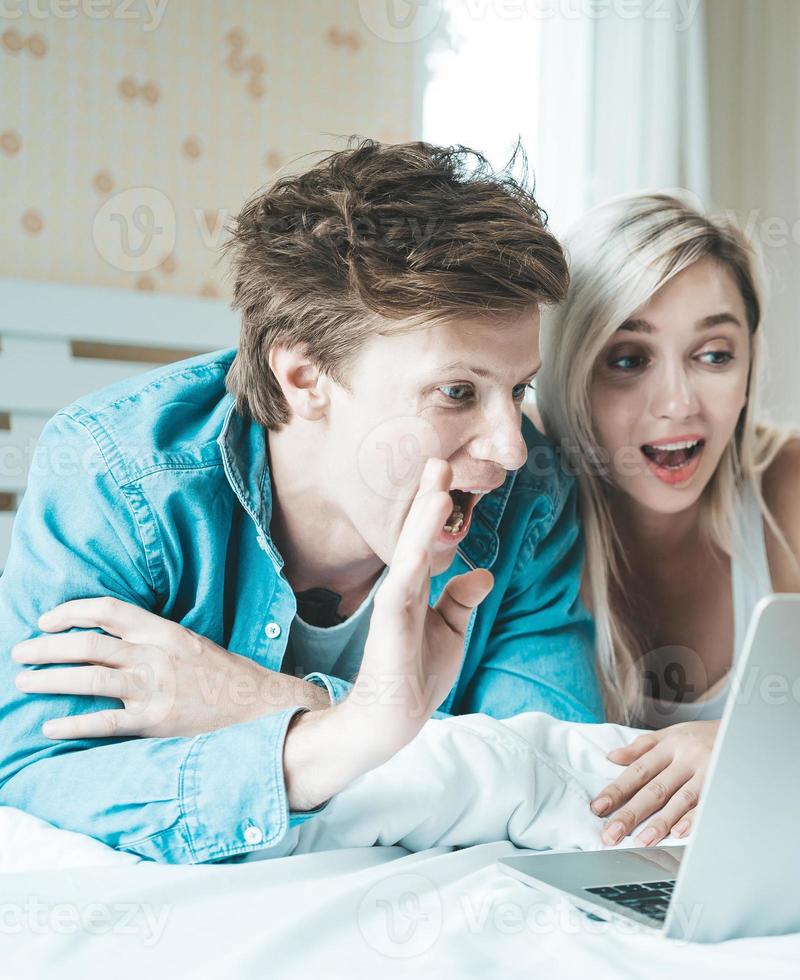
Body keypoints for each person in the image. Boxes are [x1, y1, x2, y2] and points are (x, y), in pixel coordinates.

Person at [0, 140, 602, 864]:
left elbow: (559, 780)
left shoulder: (530, 496)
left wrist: (262, 701)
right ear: (305, 375)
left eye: (519, 389)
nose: (509, 447)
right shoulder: (117, 475)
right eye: (457, 392)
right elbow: (33, 777)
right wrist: (351, 733)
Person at [535, 190, 800, 849]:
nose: (678, 404)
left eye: (714, 355)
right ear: (571, 372)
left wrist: (749, 747)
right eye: (629, 360)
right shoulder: (523, 501)